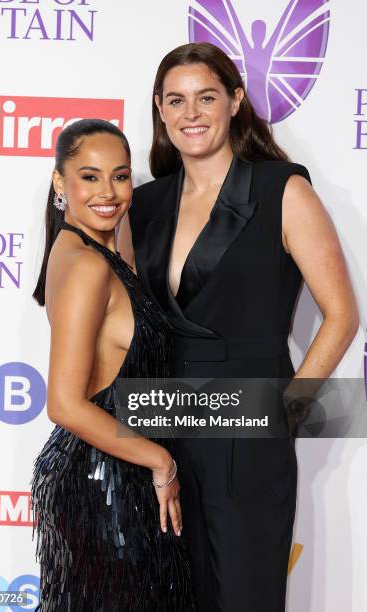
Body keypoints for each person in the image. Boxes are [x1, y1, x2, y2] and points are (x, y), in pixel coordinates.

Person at [118, 43, 359, 612]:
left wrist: (287, 411)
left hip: (249, 428)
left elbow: (342, 315)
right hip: (160, 426)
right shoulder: (144, 205)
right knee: (167, 592)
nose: (191, 113)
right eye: (175, 101)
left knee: (243, 593)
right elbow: (128, 323)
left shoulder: (281, 190)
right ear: (160, 110)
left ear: (235, 101)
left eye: (206, 97)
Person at [30, 119, 195, 612]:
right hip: (104, 483)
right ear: (61, 182)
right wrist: (160, 461)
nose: (108, 191)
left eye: (120, 176)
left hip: (105, 472)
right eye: (90, 176)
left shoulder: (87, 248)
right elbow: (62, 403)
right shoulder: (86, 265)